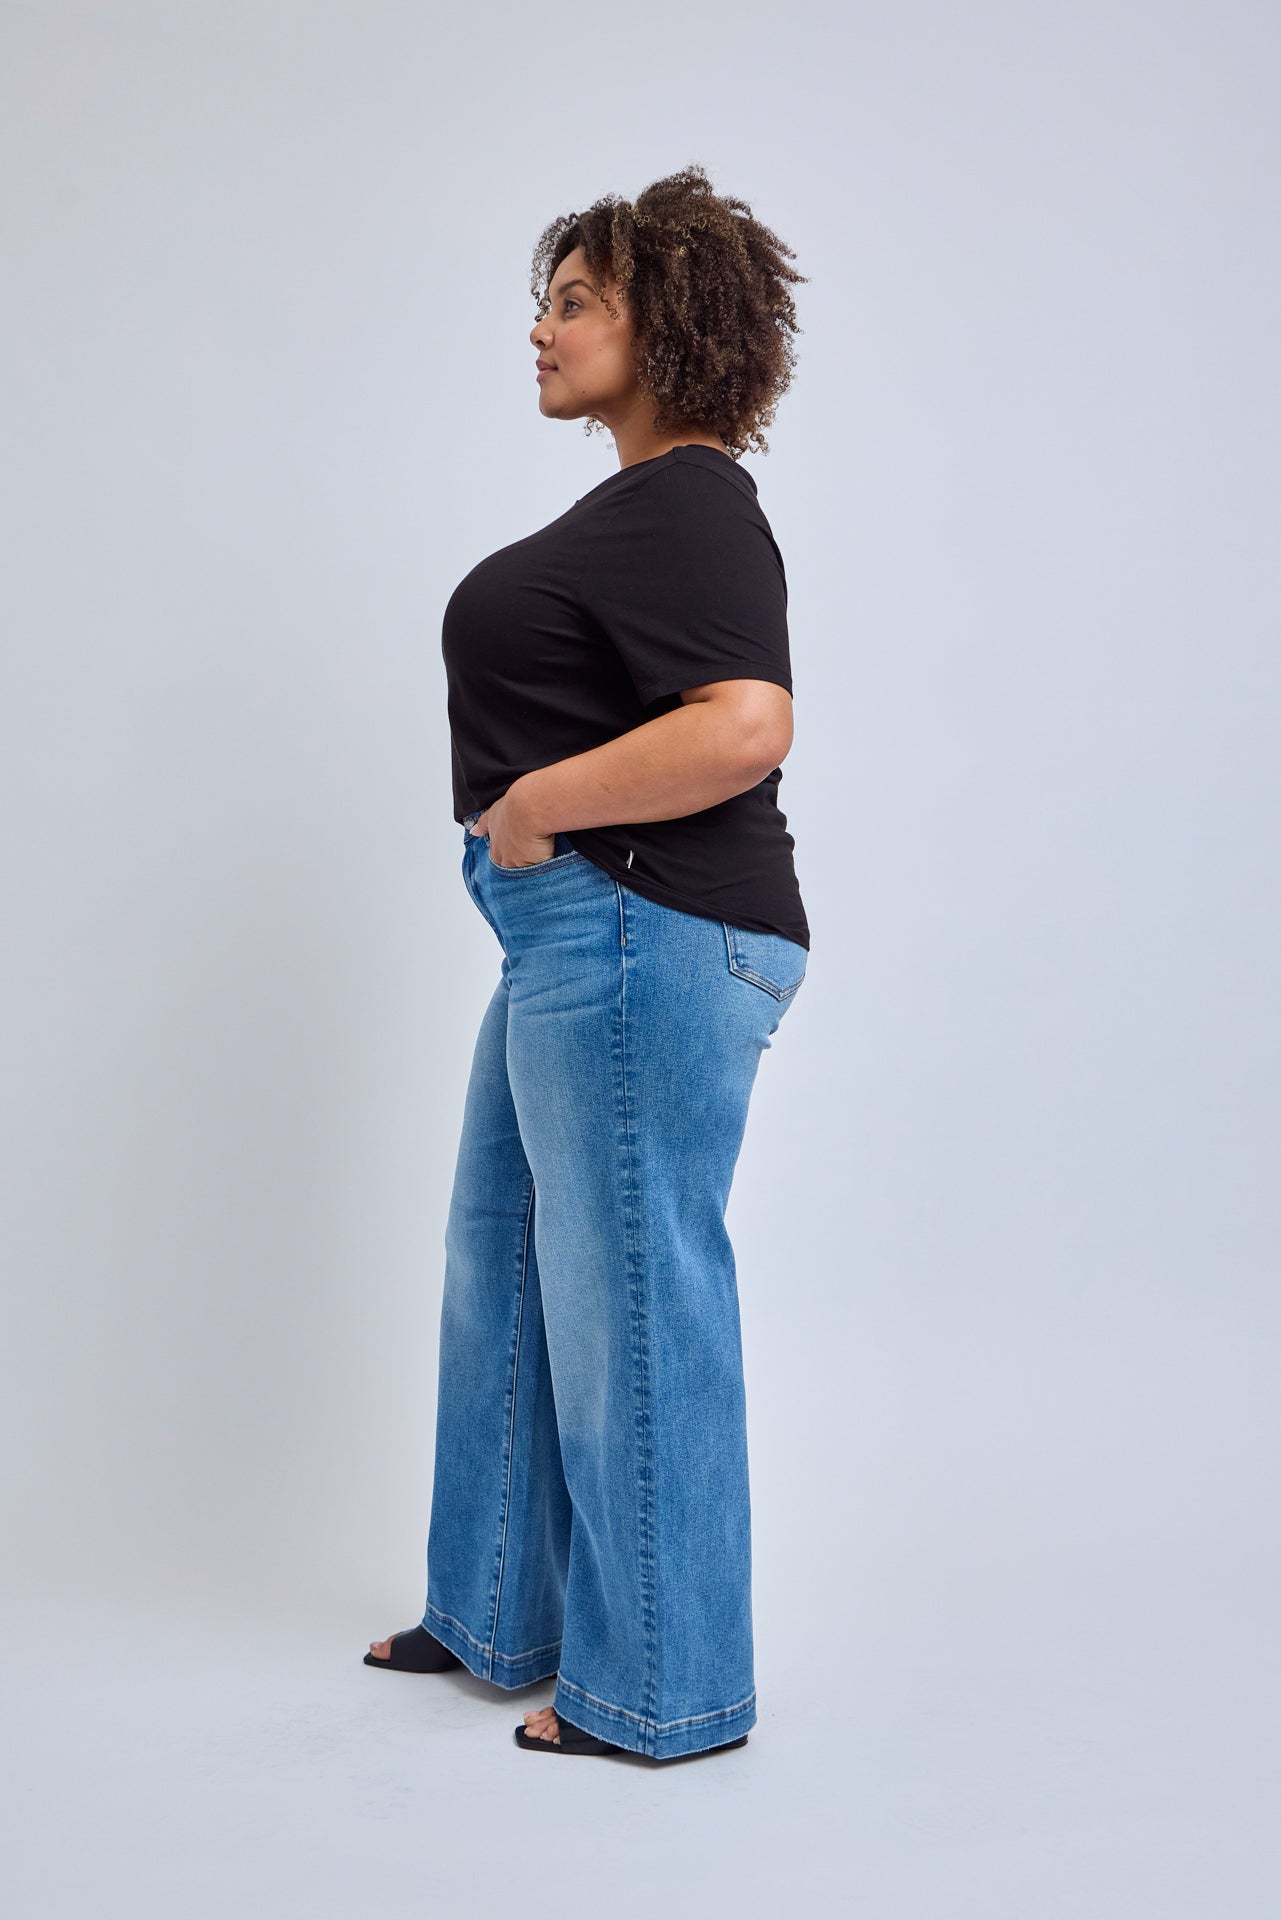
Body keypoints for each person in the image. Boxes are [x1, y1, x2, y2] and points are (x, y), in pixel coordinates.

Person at [364, 163, 811, 1762]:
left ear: (667, 324)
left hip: (642, 931)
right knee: (504, 1263)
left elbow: (744, 724)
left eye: (575, 301)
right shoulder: (632, 507)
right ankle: (495, 1611)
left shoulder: (691, 498)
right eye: (544, 300)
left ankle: (664, 1688)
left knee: (627, 1293)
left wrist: (536, 805)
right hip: (578, 937)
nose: (540, 332)